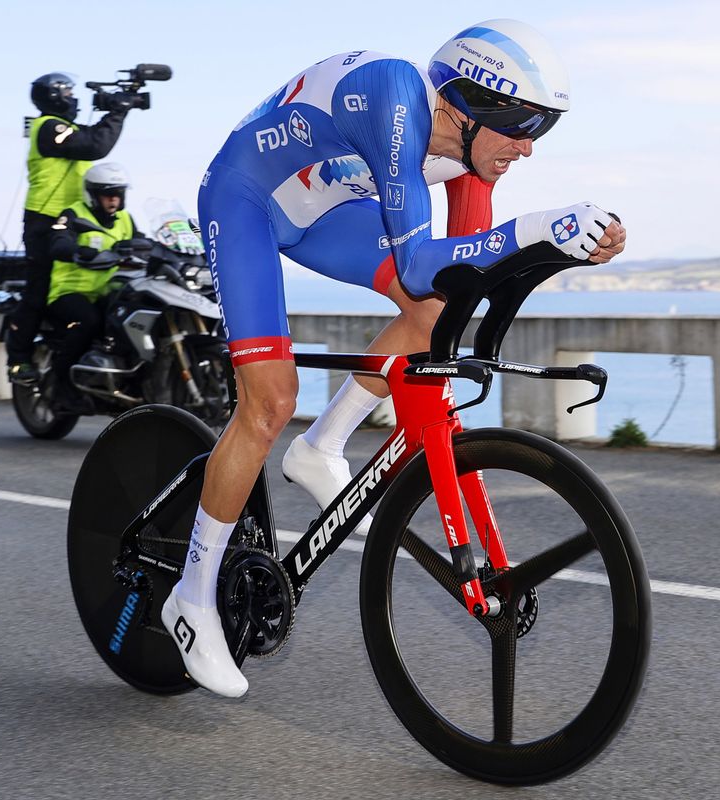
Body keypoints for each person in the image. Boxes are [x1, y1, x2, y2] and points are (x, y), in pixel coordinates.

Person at [163, 18, 628, 697]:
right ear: (473, 103)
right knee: (269, 405)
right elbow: (416, 263)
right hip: (248, 198)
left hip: (326, 209)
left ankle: (323, 446)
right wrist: (537, 229)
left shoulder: (472, 160)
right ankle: (193, 595)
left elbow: (456, 281)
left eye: (543, 130)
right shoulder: (395, 94)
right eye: (525, 126)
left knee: (434, 319)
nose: (529, 150)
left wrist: (563, 248)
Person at [6, 73, 138, 385]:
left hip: (75, 217)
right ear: (53, 97)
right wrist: (118, 112)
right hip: (44, 219)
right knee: (38, 290)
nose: (72, 97)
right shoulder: (50, 127)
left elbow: (92, 138)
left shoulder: (67, 129)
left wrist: (118, 107)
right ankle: (19, 360)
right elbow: (95, 146)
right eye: (66, 91)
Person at [43, 162, 139, 412]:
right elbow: (58, 242)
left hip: (108, 290)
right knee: (89, 321)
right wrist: (78, 250)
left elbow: (142, 241)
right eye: (108, 194)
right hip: (69, 291)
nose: (113, 200)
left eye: (118, 194)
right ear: (93, 194)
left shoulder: (125, 219)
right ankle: (60, 387)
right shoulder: (74, 215)